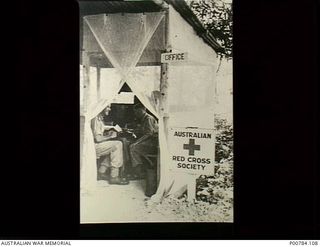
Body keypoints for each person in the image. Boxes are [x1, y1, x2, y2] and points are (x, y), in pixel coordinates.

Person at [92, 105, 129, 185]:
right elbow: (98, 139)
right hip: (93, 147)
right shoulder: (96, 119)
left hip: (95, 145)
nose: (109, 109)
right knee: (118, 145)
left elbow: (101, 127)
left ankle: (101, 172)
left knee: (113, 149)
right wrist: (109, 136)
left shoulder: (98, 118)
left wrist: (111, 128)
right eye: (107, 107)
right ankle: (114, 176)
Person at [129, 103, 158, 196]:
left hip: (153, 144)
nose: (136, 114)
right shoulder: (143, 118)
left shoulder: (148, 118)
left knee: (133, 147)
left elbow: (149, 134)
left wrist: (137, 142)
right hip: (148, 142)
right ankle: (138, 170)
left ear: (143, 110)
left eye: (138, 111)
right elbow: (143, 131)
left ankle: (138, 172)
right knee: (130, 145)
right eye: (135, 112)